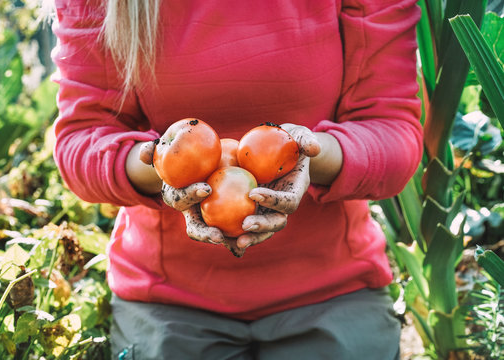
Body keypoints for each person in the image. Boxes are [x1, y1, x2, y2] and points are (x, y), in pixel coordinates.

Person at [51, 0, 423, 359]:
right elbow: (81, 139)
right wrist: (164, 168)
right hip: (168, 303)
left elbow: (392, 132)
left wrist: (311, 155)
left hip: (332, 292)